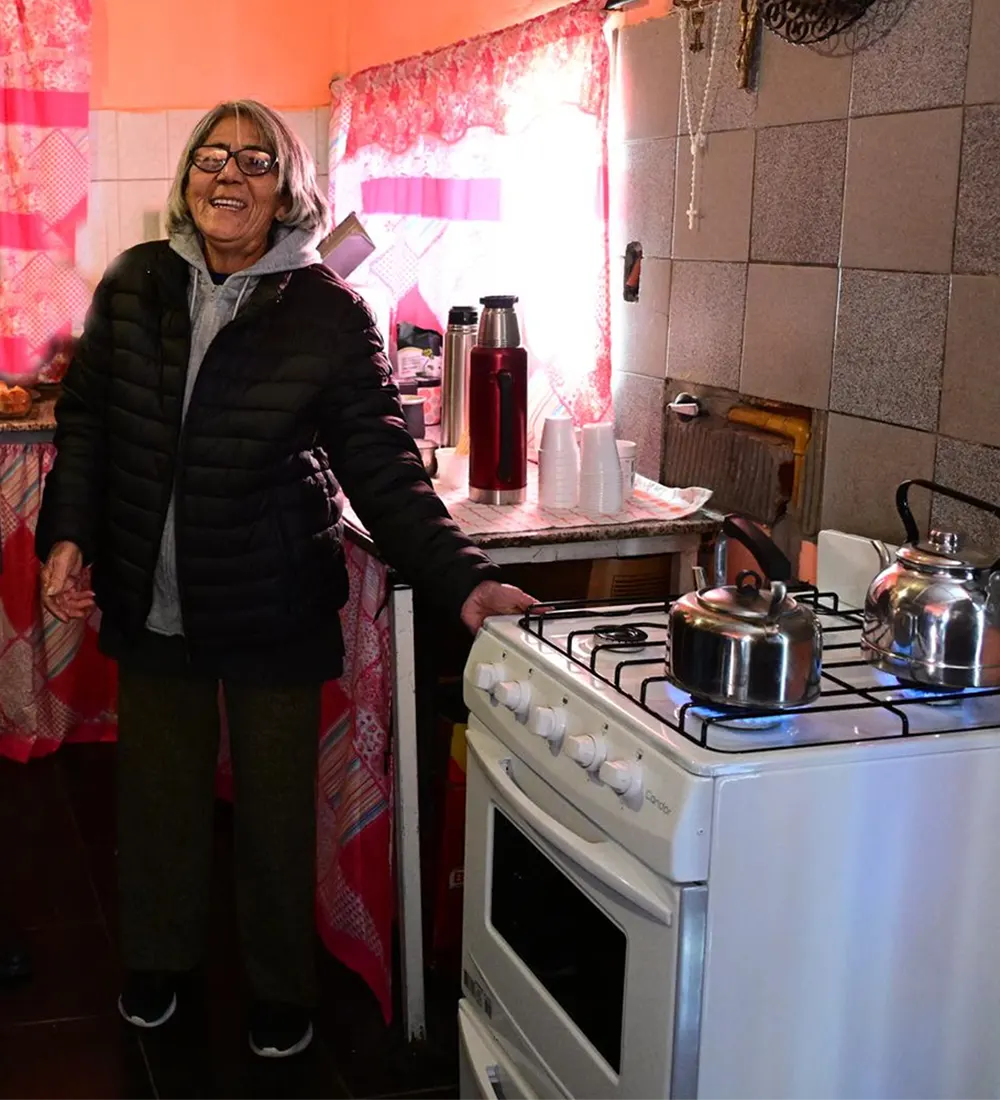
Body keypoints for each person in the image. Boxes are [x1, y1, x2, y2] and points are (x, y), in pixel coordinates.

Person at [35, 99, 533, 1059]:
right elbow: (89, 422)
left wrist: (460, 577)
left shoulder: (326, 310)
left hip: (272, 595)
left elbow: (378, 460)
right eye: (211, 157)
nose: (229, 175)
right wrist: (68, 534)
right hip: (151, 592)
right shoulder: (135, 281)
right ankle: (158, 961)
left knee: (274, 809)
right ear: (187, 177)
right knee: (159, 799)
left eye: (255, 161)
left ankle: (278, 985)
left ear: (288, 189)